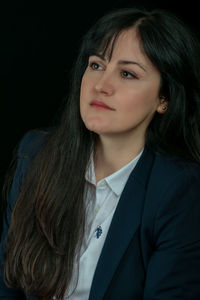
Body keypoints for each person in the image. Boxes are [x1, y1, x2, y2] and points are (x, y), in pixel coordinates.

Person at [1, 5, 200, 300]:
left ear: (164, 98)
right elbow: (8, 286)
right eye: (96, 65)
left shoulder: (180, 190)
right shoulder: (36, 155)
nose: (102, 85)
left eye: (128, 74)